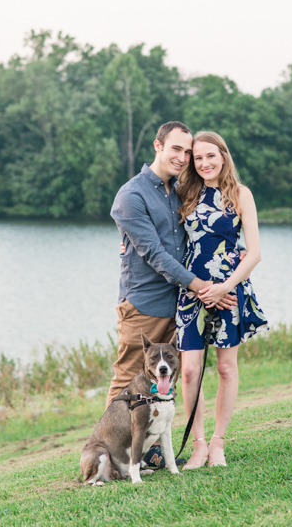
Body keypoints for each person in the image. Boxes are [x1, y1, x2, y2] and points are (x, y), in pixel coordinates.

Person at [109, 121, 238, 468]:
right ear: (157, 146)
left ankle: (149, 451)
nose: (182, 158)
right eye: (176, 149)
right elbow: (154, 253)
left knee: (163, 380)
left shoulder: (178, 189)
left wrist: (225, 269)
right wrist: (202, 286)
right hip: (146, 304)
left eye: (187, 151)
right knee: (129, 380)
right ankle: (111, 453)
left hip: (181, 304)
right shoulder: (131, 196)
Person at [175, 131, 267, 469]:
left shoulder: (241, 194)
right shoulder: (184, 192)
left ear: (223, 156)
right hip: (192, 290)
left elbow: (255, 252)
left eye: (210, 156)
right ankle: (197, 444)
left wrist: (225, 286)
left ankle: (218, 443)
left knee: (226, 367)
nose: (204, 163)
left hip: (230, 290)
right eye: (198, 158)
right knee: (189, 371)